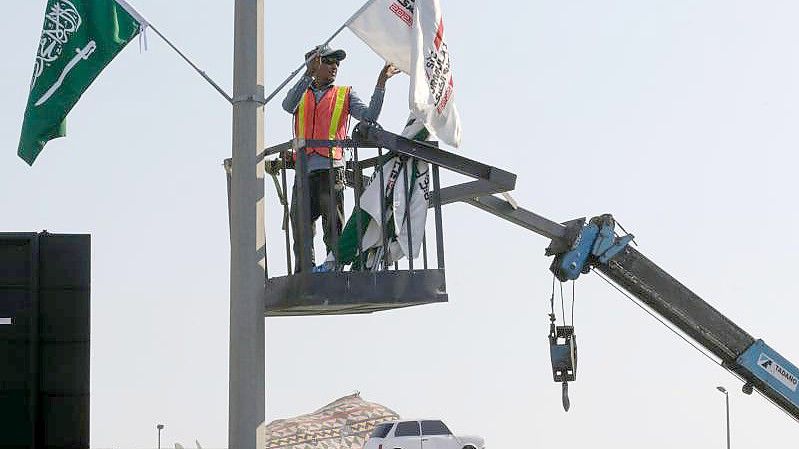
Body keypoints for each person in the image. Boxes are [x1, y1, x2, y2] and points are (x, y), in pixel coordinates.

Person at [282, 45, 400, 272]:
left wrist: (381, 83)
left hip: (331, 168)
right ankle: (305, 272)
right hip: (304, 170)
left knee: (333, 226)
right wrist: (307, 74)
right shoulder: (301, 94)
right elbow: (287, 106)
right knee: (301, 226)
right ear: (315, 64)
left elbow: (369, 117)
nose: (334, 67)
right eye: (329, 62)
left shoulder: (344, 94)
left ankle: (332, 268)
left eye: (337, 63)